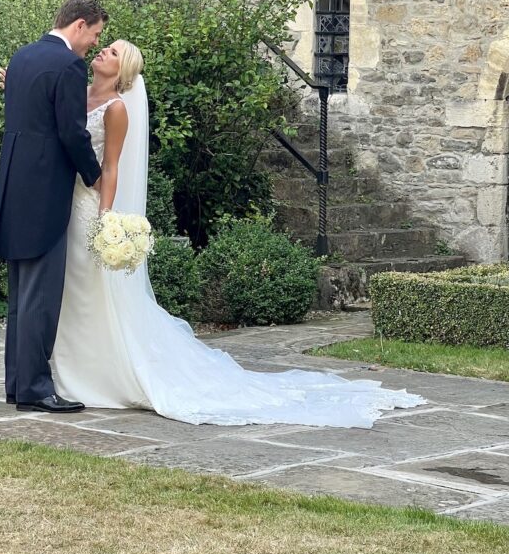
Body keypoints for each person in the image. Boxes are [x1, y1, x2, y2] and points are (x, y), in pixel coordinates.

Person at [50, 39, 426, 428]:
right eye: (105, 48)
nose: (102, 53)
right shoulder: (78, 92)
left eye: (112, 52)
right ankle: (73, 369)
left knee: (91, 287)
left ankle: (96, 376)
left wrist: (106, 216)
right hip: (65, 200)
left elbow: (110, 167)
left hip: (90, 206)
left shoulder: (116, 110)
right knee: (71, 288)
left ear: (123, 70)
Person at [0, 0, 107, 414]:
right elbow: (72, 133)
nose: (93, 45)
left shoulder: (22, 57)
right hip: (45, 190)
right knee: (41, 294)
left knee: (22, 292)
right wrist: (95, 175)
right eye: (94, 35)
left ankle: (18, 385)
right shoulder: (68, 66)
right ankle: (37, 389)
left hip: (15, 183)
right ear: (78, 25)